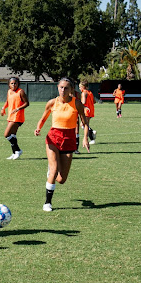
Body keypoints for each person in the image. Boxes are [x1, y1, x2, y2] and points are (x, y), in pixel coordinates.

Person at [34, 78, 90, 212]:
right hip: (53, 138)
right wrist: (38, 128)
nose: (63, 90)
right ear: (57, 88)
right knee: (53, 170)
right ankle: (47, 203)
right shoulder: (52, 103)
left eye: (66, 88)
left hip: (69, 139)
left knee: (61, 179)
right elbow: (43, 118)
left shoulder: (77, 104)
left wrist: (85, 138)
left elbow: (85, 123)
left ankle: (51, 174)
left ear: (71, 90)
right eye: (61, 87)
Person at [0, 77, 29, 159]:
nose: (13, 85)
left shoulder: (21, 92)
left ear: (18, 84)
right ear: (9, 84)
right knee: (13, 135)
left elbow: (27, 103)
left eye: (15, 83)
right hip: (11, 116)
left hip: (18, 117)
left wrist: (18, 108)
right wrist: (3, 108)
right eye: (12, 83)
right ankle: (15, 152)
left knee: (6, 134)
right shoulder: (9, 92)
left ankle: (18, 150)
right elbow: (7, 101)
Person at [80, 79, 97, 144]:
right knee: (85, 125)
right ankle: (92, 133)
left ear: (83, 87)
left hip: (86, 111)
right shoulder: (90, 92)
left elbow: (83, 102)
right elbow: (94, 101)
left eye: (80, 87)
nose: (79, 88)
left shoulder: (84, 93)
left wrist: (79, 103)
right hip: (91, 110)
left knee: (84, 125)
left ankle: (92, 138)